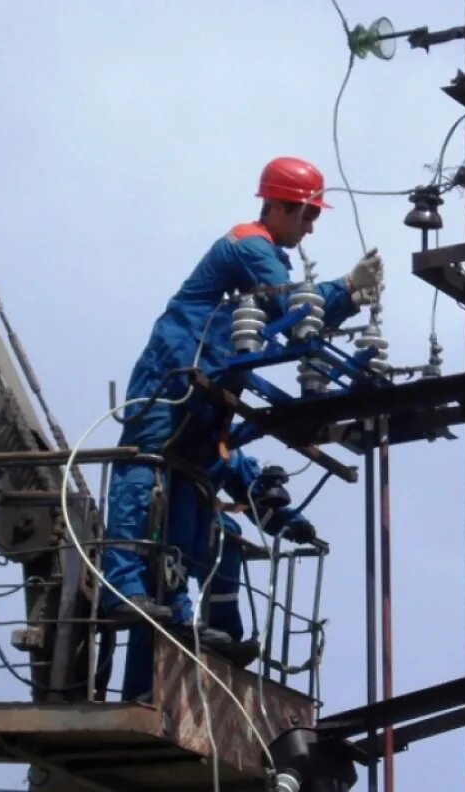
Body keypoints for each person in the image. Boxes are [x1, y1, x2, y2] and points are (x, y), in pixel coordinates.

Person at [101, 156, 384, 700]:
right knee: (144, 473)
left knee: (196, 506)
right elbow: (291, 304)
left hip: (208, 394)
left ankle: (186, 627)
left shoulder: (259, 266)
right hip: (175, 377)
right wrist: (347, 288)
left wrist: (287, 519)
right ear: (274, 204)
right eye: (304, 211)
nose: (310, 225)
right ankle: (124, 585)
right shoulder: (248, 245)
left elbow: (234, 465)